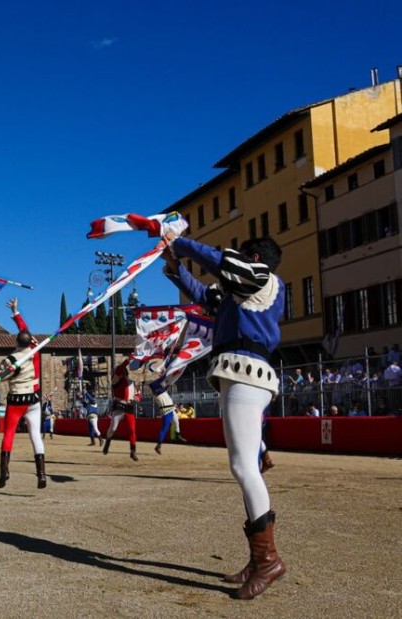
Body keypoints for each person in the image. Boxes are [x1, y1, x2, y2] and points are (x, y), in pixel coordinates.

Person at [163, 232, 287, 600]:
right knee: (243, 465)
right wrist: (175, 268)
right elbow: (205, 296)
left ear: (252, 257)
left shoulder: (262, 277)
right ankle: (260, 558)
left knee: (242, 467)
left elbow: (220, 263)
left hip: (245, 373)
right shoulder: (244, 290)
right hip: (240, 374)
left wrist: (180, 242)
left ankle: (268, 561)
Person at [0, 299, 47, 489]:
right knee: (35, 435)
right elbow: (25, 330)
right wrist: (16, 313)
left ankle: (4, 471)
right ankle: (41, 474)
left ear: (16, 341)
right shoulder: (35, 350)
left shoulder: (11, 360)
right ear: (30, 341)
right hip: (34, 399)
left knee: (9, 434)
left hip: (17, 400)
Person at [102, 359, 141, 462]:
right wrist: (128, 360)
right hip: (119, 406)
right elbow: (120, 369)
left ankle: (133, 451)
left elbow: (138, 394)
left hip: (129, 407)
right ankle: (108, 441)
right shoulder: (115, 380)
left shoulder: (132, 383)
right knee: (113, 428)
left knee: (132, 429)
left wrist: (138, 397)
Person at [153, 389, 186, 455]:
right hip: (166, 410)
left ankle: (178, 435)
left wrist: (174, 407)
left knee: (176, 421)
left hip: (171, 409)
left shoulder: (163, 392)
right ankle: (158, 446)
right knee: (165, 428)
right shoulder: (157, 395)